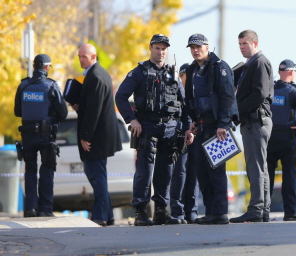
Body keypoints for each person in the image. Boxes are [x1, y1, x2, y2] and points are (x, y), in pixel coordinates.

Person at [116, 34, 190, 226]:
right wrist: (132, 120)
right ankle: (140, 212)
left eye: (164, 48)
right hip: (146, 126)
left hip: (170, 129)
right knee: (145, 170)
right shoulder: (139, 72)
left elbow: (184, 103)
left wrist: (187, 128)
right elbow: (121, 96)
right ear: (151, 48)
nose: (161, 52)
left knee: (165, 171)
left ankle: (160, 211)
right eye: (157, 48)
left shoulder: (173, 73)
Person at [184, 33, 238, 225]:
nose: (195, 50)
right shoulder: (192, 69)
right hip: (201, 126)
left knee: (216, 171)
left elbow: (227, 97)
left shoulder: (219, 67)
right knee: (202, 171)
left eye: (198, 47)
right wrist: (193, 120)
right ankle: (211, 213)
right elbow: (191, 98)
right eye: (192, 47)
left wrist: (223, 124)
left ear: (207, 47)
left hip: (217, 128)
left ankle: (220, 213)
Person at [72, 44, 122, 226]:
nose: (81, 59)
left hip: (97, 137)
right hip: (100, 135)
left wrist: (86, 136)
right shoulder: (98, 74)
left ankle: (100, 215)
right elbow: (92, 106)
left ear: (93, 56)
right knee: (97, 173)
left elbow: (94, 111)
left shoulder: (95, 76)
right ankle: (107, 215)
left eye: (84, 56)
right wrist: (79, 107)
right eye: (79, 56)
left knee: (95, 174)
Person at [14, 54, 68, 218]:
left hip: (28, 134)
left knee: (30, 169)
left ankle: (30, 208)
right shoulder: (51, 86)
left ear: (35, 66)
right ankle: (45, 208)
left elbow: (17, 112)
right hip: (46, 135)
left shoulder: (23, 85)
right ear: (46, 67)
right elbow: (63, 113)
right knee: (47, 169)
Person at [229, 30, 274, 223]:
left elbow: (260, 94)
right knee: (259, 166)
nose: (242, 48)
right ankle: (261, 209)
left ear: (255, 43)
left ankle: (256, 208)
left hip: (256, 121)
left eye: (245, 44)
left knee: (255, 166)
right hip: (255, 121)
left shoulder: (259, 62)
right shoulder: (252, 63)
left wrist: (236, 111)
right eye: (240, 44)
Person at [267, 60, 296, 221]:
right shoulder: (294, 91)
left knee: (267, 175)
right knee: (289, 175)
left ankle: (263, 210)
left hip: (270, 136)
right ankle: (290, 212)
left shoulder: (269, 89)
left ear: (280, 72)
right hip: (288, 137)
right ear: (292, 72)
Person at [170, 63, 199, 224]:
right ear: (181, 76)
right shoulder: (175, 91)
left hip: (195, 136)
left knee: (193, 174)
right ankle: (177, 211)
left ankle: (191, 211)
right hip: (179, 137)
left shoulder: (197, 92)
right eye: (187, 75)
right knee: (179, 173)